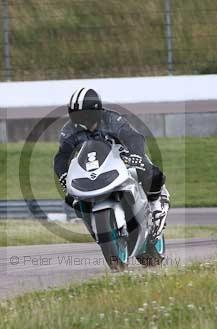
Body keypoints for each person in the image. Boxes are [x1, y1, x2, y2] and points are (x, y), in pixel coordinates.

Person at [54, 87, 170, 237]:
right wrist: (63, 174)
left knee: (149, 172)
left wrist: (136, 155)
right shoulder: (69, 129)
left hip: (123, 158)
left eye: (83, 114)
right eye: (75, 114)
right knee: (71, 198)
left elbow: (133, 137)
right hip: (92, 167)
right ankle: (95, 227)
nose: (79, 118)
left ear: (94, 111)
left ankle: (156, 205)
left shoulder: (111, 119)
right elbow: (62, 155)